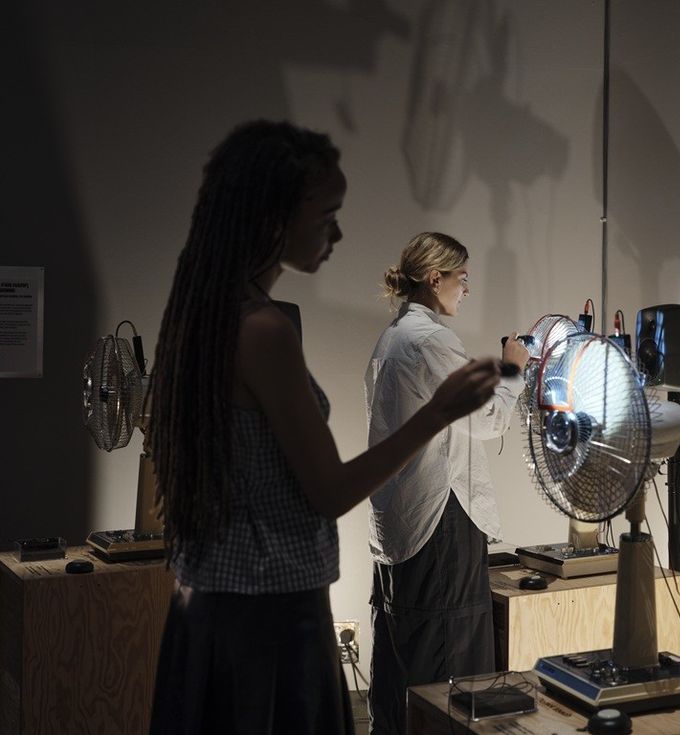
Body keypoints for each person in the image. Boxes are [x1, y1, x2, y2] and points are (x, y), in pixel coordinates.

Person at [146, 122, 502, 735]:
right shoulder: (263, 330)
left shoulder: (205, 315)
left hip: (216, 613)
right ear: (274, 215)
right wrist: (438, 413)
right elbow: (329, 490)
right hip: (270, 619)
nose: (336, 233)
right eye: (327, 214)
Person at [364, 232, 530, 734]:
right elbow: (486, 420)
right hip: (440, 518)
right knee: (448, 659)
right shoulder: (431, 341)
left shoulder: (391, 340)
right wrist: (514, 369)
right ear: (435, 278)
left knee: (400, 653)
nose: (466, 288)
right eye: (462, 277)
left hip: (400, 520)